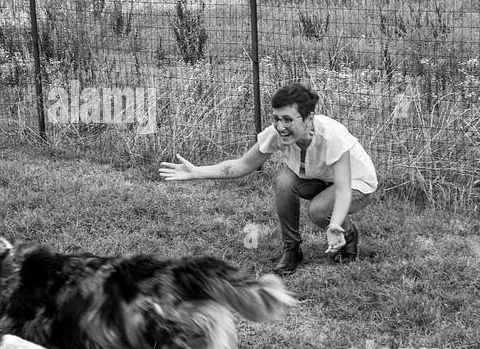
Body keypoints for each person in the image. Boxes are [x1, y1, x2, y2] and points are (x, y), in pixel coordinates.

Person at [159, 83, 378, 274]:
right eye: (276, 119)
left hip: (356, 184)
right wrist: (197, 171)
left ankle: (347, 235)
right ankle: (292, 250)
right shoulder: (277, 133)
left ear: (309, 117)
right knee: (284, 181)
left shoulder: (333, 136)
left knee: (319, 211)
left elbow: (342, 189)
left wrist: (334, 225)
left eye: (287, 120)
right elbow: (242, 165)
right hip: (318, 177)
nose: (280, 127)